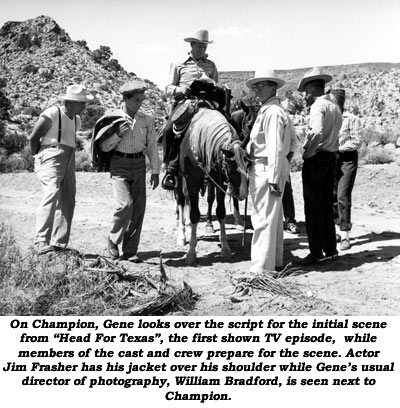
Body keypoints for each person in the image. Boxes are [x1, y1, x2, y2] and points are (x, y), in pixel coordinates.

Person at [100, 80, 160, 262]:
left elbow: (151, 147)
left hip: (139, 165)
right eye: (136, 100)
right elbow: (103, 147)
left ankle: (130, 249)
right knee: (124, 205)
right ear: (125, 99)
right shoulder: (112, 118)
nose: (139, 103)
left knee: (138, 209)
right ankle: (113, 239)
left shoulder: (147, 120)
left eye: (142, 100)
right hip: (119, 164)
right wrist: (117, 134)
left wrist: (155, 171)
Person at [29, 84, 92, 255]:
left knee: (68, 198)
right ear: (70, 102)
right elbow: (34, 137)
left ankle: (58, 243)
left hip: (69, 157)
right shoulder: (52, 113)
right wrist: (37, 157)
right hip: (51, 154)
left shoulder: (76, 120)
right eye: (81, 103)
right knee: (51, 194)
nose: (84, 106)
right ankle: (41, 241)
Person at [245, 68, 291, 274]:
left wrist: (273, 176)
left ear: (273, 87)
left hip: (266, 168)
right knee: (272, 217)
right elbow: (292, 145)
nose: (256, 90)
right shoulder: (273, 110)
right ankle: (275, 261)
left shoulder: (271, 113)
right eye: (255, 86)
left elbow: (275, 147)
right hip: (270, 166)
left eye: (260, 86)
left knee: (262, 218)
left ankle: (261, 269)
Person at [162, 29, 218, 190]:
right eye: (200, 46)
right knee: (168, 131)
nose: (203, 49)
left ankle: (223, 168)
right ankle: (170, 170)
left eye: (205, 47)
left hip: (207, 104)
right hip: (185, 104)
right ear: (192, 45)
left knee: (226, 127)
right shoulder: (179, 64)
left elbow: (216, 84)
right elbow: (167, 88)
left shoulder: (211, 65)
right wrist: (179, 90)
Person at [297, 67, 343, 265]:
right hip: (331, 158)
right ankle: (331, 249)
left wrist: (307, 152)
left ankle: (316, 252)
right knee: (325, 205)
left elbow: (315, 132)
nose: (305, 95)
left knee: (313, 207)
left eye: (306, 90)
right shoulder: (334, 107)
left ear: (312, 88)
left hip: (316, 159)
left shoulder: (318, 106)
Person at [331, 91, 361, 250]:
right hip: (332, 158)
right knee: (332, 195)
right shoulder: (330, 117)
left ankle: (345, 235)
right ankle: (337, 229)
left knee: (343, 195)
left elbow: (355, 142)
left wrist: (337, 148)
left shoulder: (351, 119)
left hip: (347, 159)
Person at [280, 98, 299, 234]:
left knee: (286, 191)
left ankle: (289, 220)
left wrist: (287, 160)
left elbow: (293, 141)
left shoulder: (286, 119)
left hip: (282, 160)